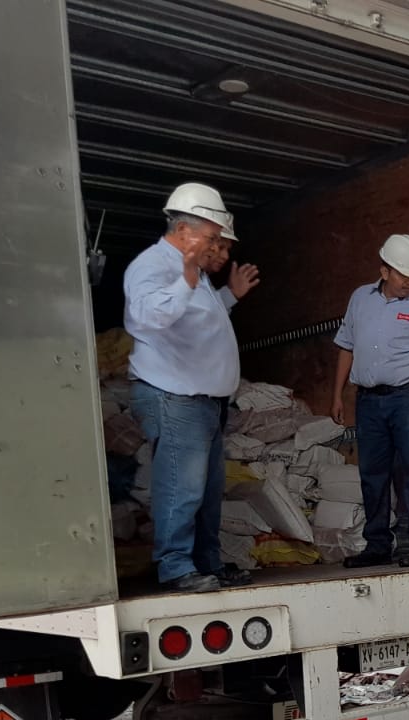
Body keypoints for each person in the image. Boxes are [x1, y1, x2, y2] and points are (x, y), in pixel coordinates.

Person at [123, 183, 261, 593]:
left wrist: (229, 297)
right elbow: (149, 316)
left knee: (206, 490)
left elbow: (199, 321)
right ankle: (176, 567)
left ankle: (206, 564)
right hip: (174, 395)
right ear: (185, 230)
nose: (219, 248)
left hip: (203, 400)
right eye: (213, 237)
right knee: (181, 486)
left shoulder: (192, 273)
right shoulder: (154, 266)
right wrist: (185, 280)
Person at [330, 234, 409, 569]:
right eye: (403, 274)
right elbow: (346, 347)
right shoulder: (360, 299)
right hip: (368, 402)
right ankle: (377, 546)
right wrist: (337, 395)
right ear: (384, 271)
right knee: (372, 474)